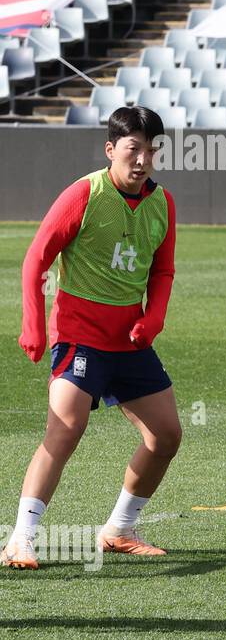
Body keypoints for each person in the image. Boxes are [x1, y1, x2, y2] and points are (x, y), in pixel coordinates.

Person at [5, 106, 179, 570]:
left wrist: (153, 318)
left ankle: (120, 529)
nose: (141, 160)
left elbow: (163, 270)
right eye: (132, 149)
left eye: (150, 150)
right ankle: (20, 538)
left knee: (166, 435)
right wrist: (34, 324)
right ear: (111, 150)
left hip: (130, 342)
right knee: (66, 428)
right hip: (80, 336)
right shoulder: (85, 193)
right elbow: (36, 259)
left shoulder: (163, 204)